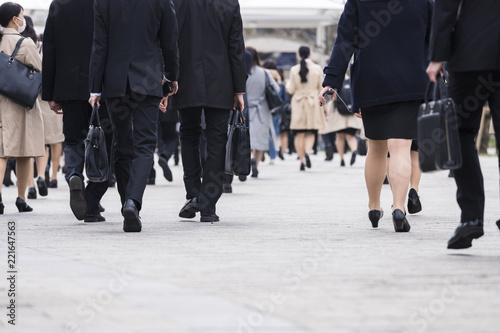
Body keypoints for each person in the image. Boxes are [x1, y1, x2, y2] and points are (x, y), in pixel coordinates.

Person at [320, 0, 432, 232]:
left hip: (372, 82)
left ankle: (374, 207)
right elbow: (436, 40)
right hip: (412, 82)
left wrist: (332, 81)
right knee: (401, 147)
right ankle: (398, 208)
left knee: (377, 148)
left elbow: (345, 41)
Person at [89, 0, 179, 232]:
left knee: (122, 145)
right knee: (145, 145)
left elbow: (99, 44)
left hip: (115, 82)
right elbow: (169, 42)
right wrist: (171, 75)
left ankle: (126, 204)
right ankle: (133, 202)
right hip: (148, 80)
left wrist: (95, 88)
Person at [427, 0, 500, 249]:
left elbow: (446, 7)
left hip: (471, 54)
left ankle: (471, 218)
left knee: (460, 132)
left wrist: (437, 56)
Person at [172, 0, 246, 222]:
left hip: (185, 78)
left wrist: (168, 76)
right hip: (220, 81)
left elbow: (167, 40)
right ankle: (208, 204)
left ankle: (193, 192)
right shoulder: (229, 4)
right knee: (217, 139)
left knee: (188, 134)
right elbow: (236, 47)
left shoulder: (176, 3)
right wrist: (239, 89)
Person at [42, 0, 111, 223]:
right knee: (103, 141)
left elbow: (49, 49)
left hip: (68, 83)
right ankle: (92, 198)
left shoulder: (58, 5)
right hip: (101, 84)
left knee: (73, 139)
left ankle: (73, 174)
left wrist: (50, 93)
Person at [0, 2, 45, 214]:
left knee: (1, 152)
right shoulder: (25, 43)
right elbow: (39, 69)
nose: (22, 19)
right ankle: (21, 198)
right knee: (24, 152)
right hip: (21, 103)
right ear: (14, 19)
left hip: (1, 103)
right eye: (21, 15)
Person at [287, 46, 325, 171]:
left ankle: (302, 160)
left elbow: (291, 89)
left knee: (299, 133)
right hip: (312, 102)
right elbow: (321, 88)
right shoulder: (317, 69)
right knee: (311, 131)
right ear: (310, 54)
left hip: (298, 103)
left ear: (299, 55)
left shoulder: (293, 70)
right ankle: (308, 152)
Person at [246, 47, 280, 178]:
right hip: (262, 110)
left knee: (246, 139)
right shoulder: (264, 73)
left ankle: (249, 158)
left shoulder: (240, 71)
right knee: (260, 140)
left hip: (245, 109)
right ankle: (256, 164)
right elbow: (276, 89)